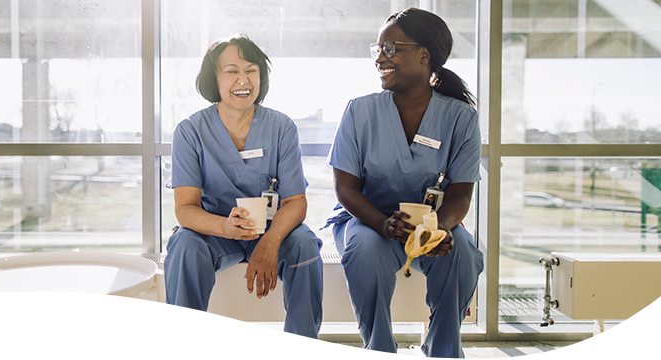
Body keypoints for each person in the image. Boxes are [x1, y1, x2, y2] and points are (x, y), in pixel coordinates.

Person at [324, 8, 484, 360]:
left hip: (432, 224)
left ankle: (444, 350)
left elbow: (460, 194)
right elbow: (346, 188)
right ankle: (379, 350)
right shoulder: (359, 112)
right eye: (377, 50)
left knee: (465, 254)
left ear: (424, 55)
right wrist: (382, 224)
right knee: (365, 250)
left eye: (391, 48)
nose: (380, 58)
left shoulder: (461, 119)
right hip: (367, 220)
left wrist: (438, 229)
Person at [165, 34, 323, 360]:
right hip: (216, 233)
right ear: (214, 78)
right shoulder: (190, 131)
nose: (243, 79)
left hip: (271, 231)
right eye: (231, 70)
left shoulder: (282, 128)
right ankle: (183, 354)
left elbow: (295, 201)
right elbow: (185, 209)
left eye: (251, 70)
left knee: (306, 245)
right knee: (183, 246)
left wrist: (269, 243)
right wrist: (226, 228)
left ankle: (304, 354)